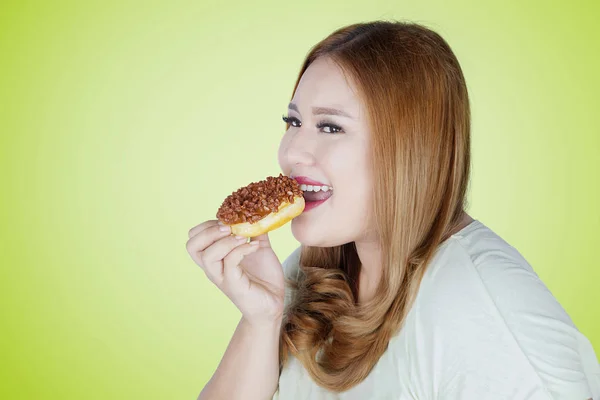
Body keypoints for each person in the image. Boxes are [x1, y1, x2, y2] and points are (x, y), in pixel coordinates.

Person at [186, 20, 600, 399]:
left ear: (408, 150)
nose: (292, 151)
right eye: (293, 122)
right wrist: (262, 318)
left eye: (331, 127)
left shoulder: (483, 308)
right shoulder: (312, 270)